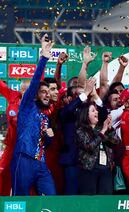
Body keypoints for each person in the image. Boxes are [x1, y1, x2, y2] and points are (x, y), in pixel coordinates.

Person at [11, 34, 56, 195]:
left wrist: (50, 136)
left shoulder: (45, 116)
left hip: (41, 164)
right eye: (42, 92)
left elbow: (47, 145)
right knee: (19, 202)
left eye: (47, 92)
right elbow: (36, 80)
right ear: (35, 95)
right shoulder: (27, 106)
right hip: (24, 159)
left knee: (51, 198)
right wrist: (44, 57)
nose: (47, 95)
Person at [75, 102, 116, 195]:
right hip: (89, 170)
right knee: (90, 202)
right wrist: (103, 131)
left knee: (105, 201)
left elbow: (116, 142)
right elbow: (90, 146)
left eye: (96, 110)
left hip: (106, 169)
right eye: (93, 111)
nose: (96, 112)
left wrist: (109, 129)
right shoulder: (80, 130)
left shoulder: (101, 128)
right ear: (85, 114)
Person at [0, 80, 29, 196]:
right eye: (27, 89)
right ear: (21, 90)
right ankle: (2, 201)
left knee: (25, 177)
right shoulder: (13, 96)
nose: (31, 92)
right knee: (3, 173)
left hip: (27, 148)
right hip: (11, 145)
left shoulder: (37, 103)